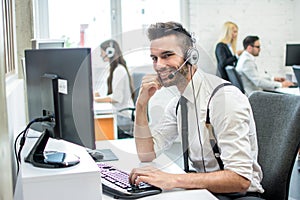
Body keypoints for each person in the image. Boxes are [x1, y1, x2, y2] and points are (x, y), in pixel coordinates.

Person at [129, 21, 264, 199]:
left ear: (191, 57)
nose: (159, 65)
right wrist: (141, 105)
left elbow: (240, 179)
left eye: (167, 55)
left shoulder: (224, 99)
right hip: (207, 192)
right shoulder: (179, 104)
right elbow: (147, 153)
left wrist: (174, 180)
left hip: (240, 196)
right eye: (154, 58)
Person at [94, 39, 135, 138]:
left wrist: (96, 100)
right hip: (116, 114)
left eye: (101, 52)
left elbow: (117, 98)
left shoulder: (119, 70)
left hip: (122, 116)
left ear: (110, 52)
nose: (100, 55)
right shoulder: (111, 70)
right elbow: (101, 92)